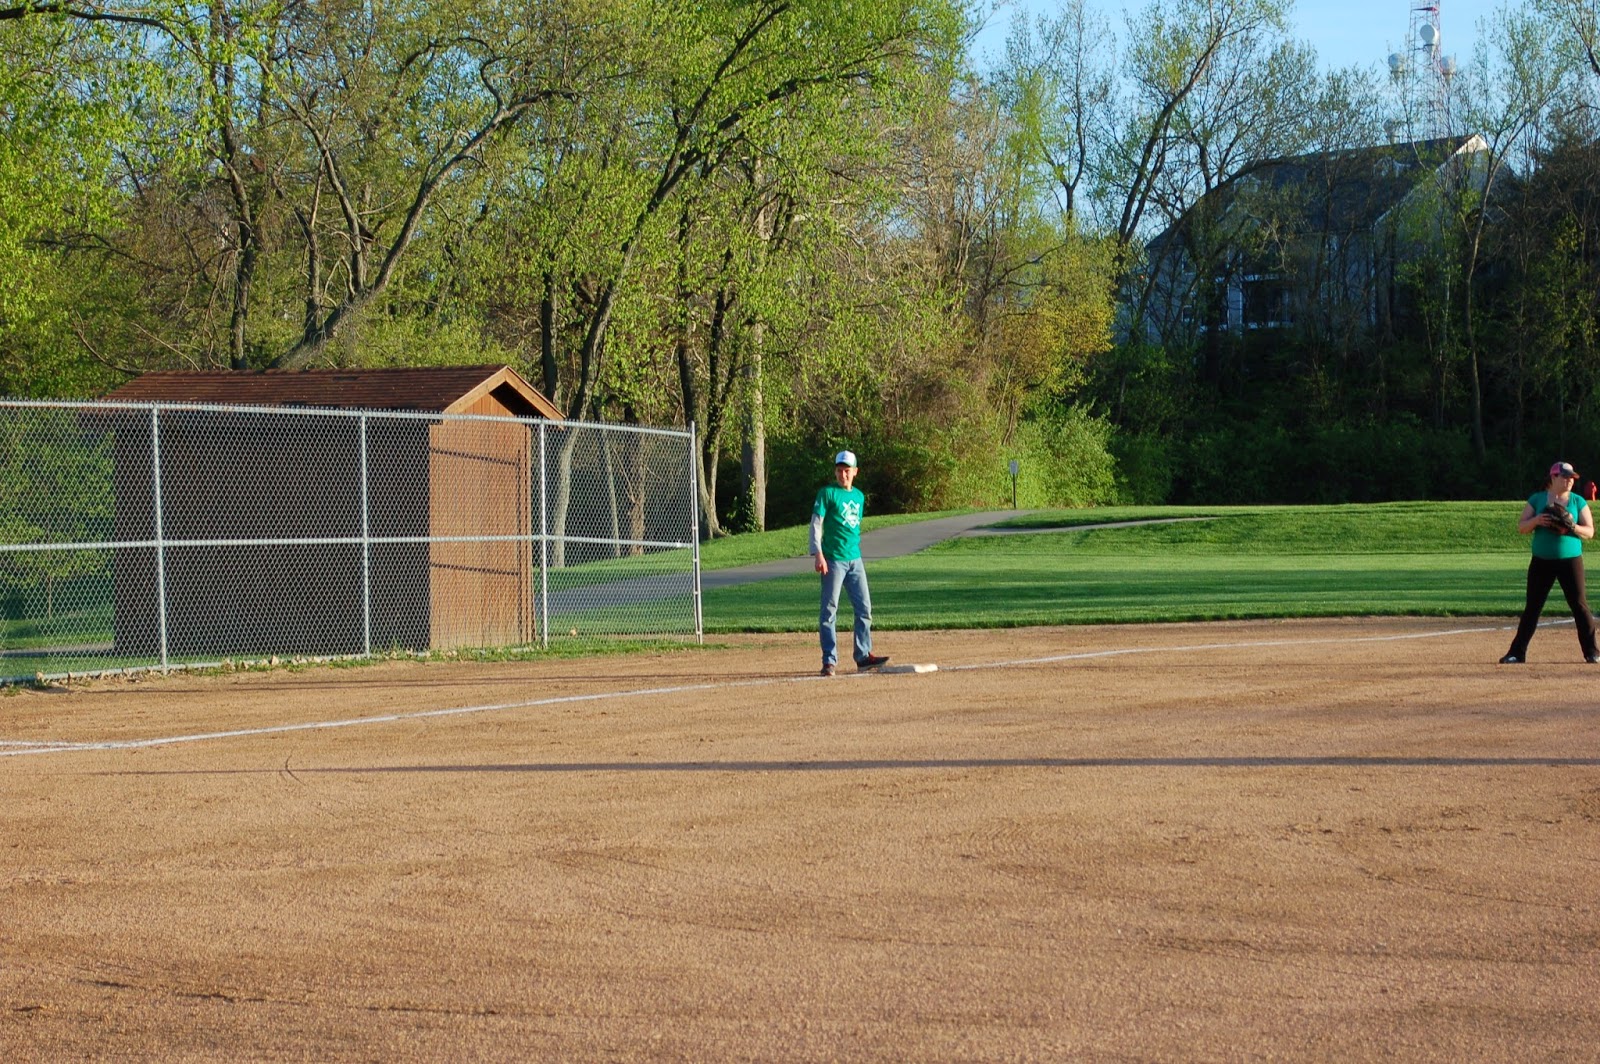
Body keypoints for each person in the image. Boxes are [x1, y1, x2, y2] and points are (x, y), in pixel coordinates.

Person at [1500, 460, 1600, 664]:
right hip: (1541, 561)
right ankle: (1516, 653)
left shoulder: (1577, 501)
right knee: (1533, 607)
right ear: (1553, 477)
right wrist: (1536, 521)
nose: (1570, 481)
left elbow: (1589, 532)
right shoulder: (1537, 500)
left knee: (1580, 606)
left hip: (1570, 561)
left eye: (1572, 478)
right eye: (1565, 477)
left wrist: (1573, 526)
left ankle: (1592, 652)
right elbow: (1522, 527)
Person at [810, 450, 889, 677]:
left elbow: (854, 526)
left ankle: (863, 656)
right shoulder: (827, 493)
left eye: (847, 470)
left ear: (855, 472)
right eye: (839, 470)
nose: (842, 474)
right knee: (829, 610)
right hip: (833, 559)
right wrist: (818, 553)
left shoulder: (859, 497)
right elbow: (817, 523)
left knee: (864, 608)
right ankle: (829, 661)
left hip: (855, 559)